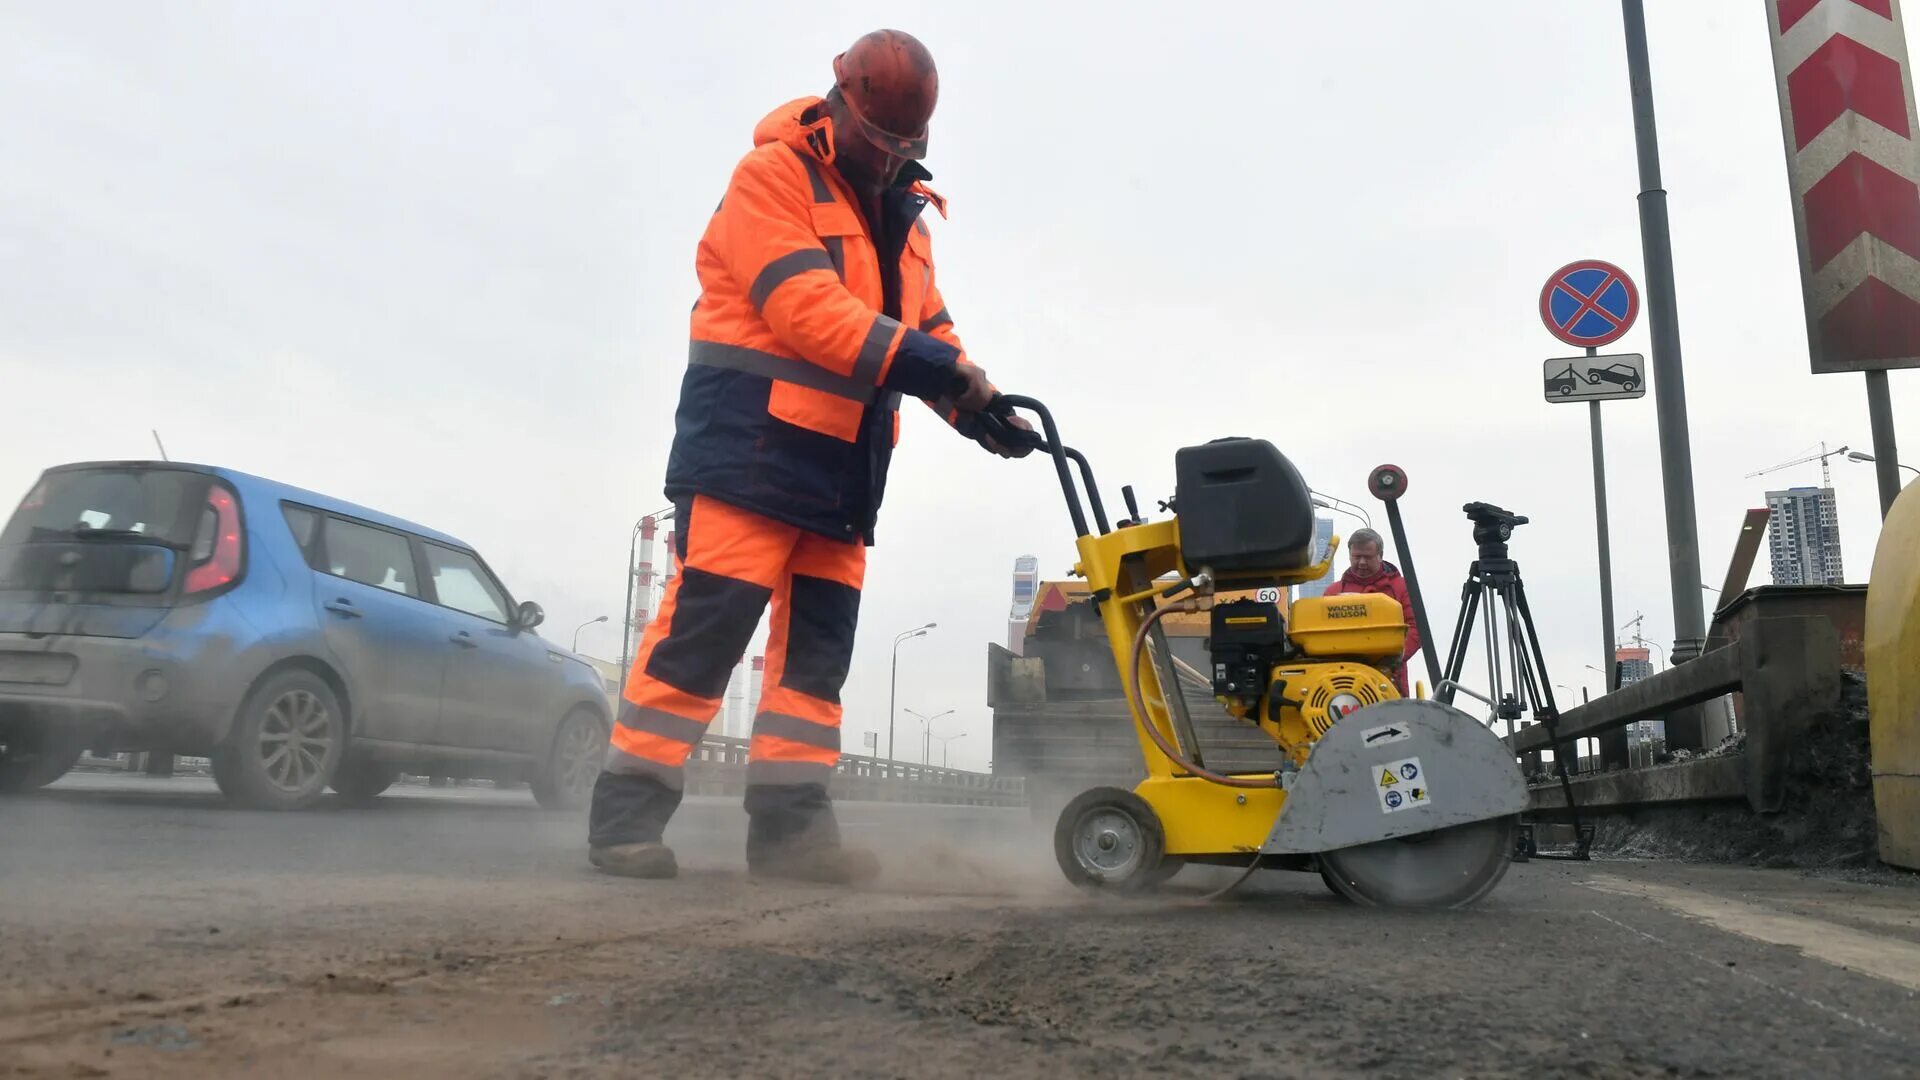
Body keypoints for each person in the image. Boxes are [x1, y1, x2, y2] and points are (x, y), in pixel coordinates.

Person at [587, 30, 1030, 885]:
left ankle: (791, 836)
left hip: (844, 470)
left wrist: (979, 407)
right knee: (702, 638)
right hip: (750, 450)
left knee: (813, 664)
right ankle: (625, 822)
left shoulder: (906, 217)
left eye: (907, 148)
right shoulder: (772, 178)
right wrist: (943, 374)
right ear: (840, 106)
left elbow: (926, 327)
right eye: (881, 143)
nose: (891, 159)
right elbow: (804, 310)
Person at [1322, 528, 1422, 694]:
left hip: (1390, 681)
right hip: (1343, 683)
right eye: (1356, 556)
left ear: (1380, 555)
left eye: (1367, 557)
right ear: (1349, 555)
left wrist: (1392, 658)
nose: (1361, 562)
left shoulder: (1403, 587)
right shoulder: (1332, 593)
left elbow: (1416, 629)